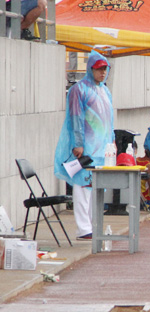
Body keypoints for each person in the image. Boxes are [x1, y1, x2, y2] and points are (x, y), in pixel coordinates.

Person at [53, 51, 115, 240]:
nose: (102, 73)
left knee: (97, 188)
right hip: (86, 148)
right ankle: (83, 228)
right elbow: (76, 117)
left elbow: (110, 120)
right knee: (82, 186)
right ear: (90, 69)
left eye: (105, 69)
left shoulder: (105, 90)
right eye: (99, 69)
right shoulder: (78, 90)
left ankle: (93, 224)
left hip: (102, 148)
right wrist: (78, 143)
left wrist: (111, 141)